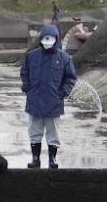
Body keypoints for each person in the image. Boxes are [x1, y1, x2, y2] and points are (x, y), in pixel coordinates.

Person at [20, 23, 76, 169]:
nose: (47, 41)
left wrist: (63, 92)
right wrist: (27, 88)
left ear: (56, 39)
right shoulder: (31, 56)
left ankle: (52, 159)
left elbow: (70, 77)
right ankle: (35, 159)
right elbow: (24, 73)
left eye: (50, 38)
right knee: (34, 132)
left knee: (53, 134)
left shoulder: (64, 58)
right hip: (35, 101)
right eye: (45, 38)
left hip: (54, 102)